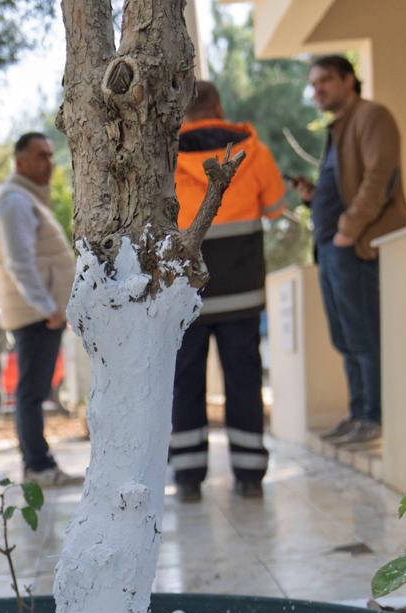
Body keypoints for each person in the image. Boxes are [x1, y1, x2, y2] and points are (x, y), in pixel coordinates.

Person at [168, 81, 286, 502]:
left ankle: (187, 477)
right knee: (243, 380)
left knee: (184, 383)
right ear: (219, 106)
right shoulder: (251, 149)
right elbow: (275, 206)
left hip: (187, 294)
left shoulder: (166, 156)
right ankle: (250, 474)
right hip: (241, 292)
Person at [292, 54, 406, 446]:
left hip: (354, 246)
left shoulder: (372, 116)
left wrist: (348, 229)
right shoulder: (340, 128)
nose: (318, 89)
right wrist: (314, 198)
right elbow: (344, 185)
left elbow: (381, 177)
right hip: (330, 249)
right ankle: (358, 414)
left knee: (363, 336)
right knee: (345, 339)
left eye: (325, 80)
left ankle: (374, 419)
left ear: (349, 80)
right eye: (314, 83)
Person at [0, 132, 80, 486]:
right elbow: (19, 262)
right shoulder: (14, 202)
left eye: (50, 155)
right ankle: (38, 467)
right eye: (41, 155)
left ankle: (37, 464)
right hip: (35, 314)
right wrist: (47, 307)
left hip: (41, 312)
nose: (49, 163)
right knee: (31, 392)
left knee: (33, 390)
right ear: (20, 162)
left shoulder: (26, 199)